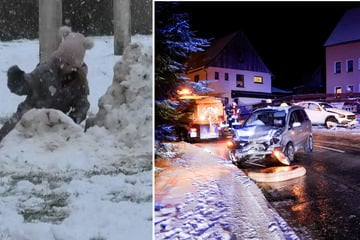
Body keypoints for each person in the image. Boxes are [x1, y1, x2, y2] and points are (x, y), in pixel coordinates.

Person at [0, 26, 93, 142]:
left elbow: (82, 103)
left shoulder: (79, 82)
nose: (62, 63)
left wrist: (73, 119)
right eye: (61, 58)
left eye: (67, 63)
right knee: (8, 136)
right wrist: (17, 81)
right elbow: (28, 83)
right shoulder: (45, 71)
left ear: (76, 66)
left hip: (53, 124)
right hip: (28, 116)